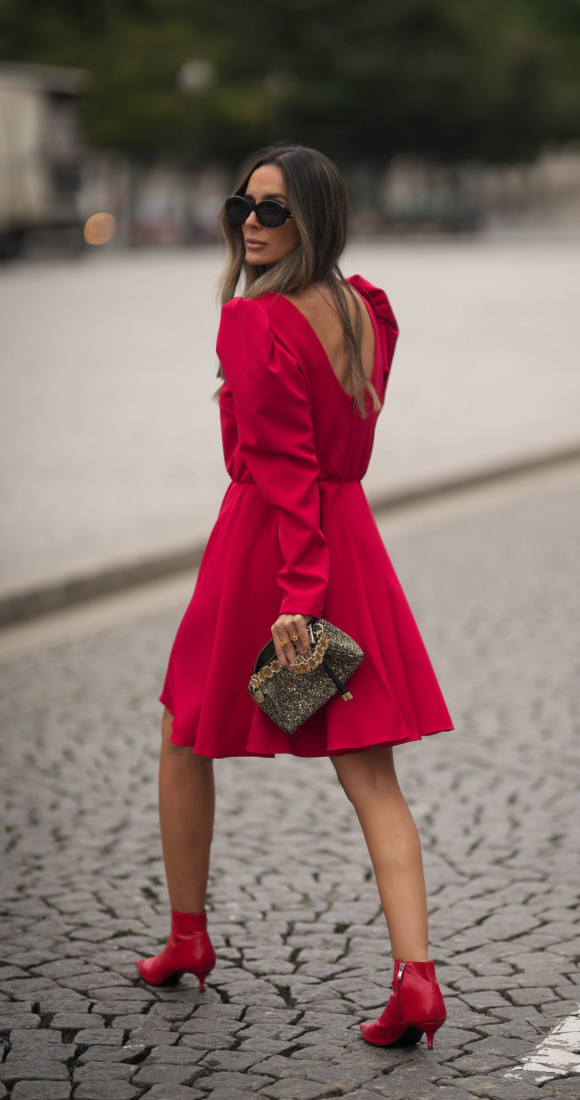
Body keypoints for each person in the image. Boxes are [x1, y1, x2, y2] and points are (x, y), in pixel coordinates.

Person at [135, 144, 453, 1050]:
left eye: (273, 210)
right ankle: (417, 981)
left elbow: (279, 465)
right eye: (243, 205)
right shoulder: (367, 309)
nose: (251, 223)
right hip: (350, 540)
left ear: (313, 220)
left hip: (272, 549)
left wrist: (299, 595)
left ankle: (188, 936)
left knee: (184, 728)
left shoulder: (253, 322)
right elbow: (335, 444)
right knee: (371, 774)